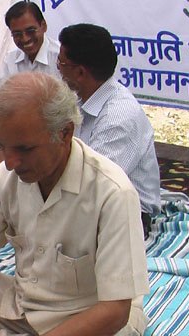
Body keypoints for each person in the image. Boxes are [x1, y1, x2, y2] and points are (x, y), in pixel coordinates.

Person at [0, 72, 149, 336]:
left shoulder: (112, 192)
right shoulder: (7, 177)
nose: (10, 163)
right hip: (22, 305)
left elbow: (115, 310)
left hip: (89, 319)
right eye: (4, 147)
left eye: (25, 149)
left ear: (65, 133)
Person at [57, 23, 161, 233]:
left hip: (125, 214)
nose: (58, 68)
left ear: (80, 72)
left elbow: (93, 187)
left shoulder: (118, 117)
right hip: (90, 200)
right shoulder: (83, 98)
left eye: (61, 62)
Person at [0, 1, 60, 180]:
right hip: (14, 131)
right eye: (17, 34)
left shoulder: (60, 58)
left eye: (30, 31)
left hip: (48, 133)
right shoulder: (11, 60)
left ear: (43, 26)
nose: (25, 39)